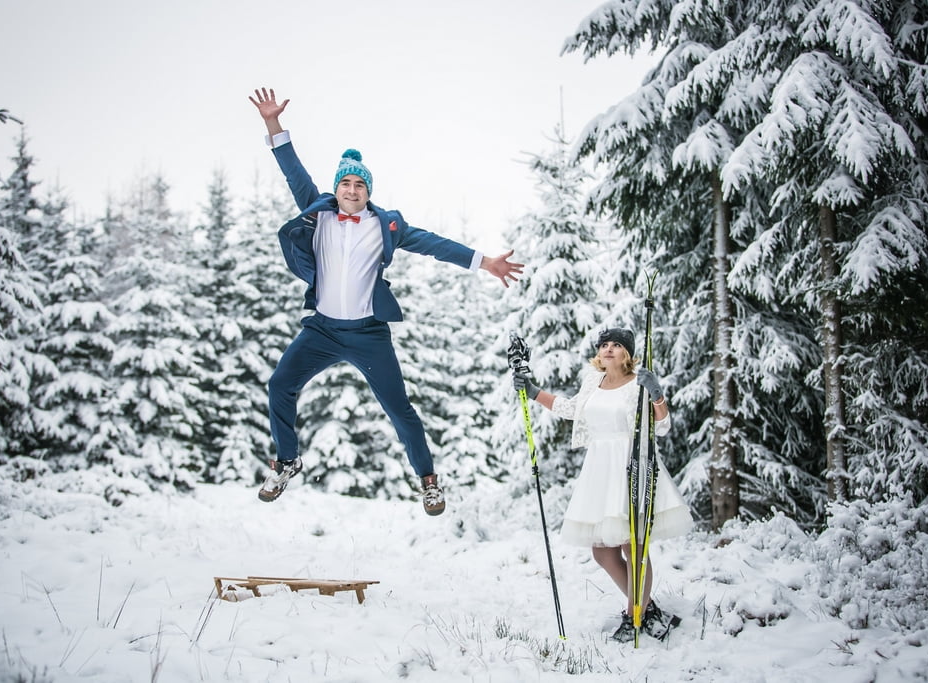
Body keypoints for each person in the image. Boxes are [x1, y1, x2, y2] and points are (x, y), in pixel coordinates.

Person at [249, 87, 524, 516]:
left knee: (400, 409)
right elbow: (292, 170)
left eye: (360, 185)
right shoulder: (316, 211)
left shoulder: (387, 225)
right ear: (336, 188)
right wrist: (272, 123)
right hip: (320, 330)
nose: (353, 190)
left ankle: (428, 482)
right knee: (280, 386)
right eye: (346, 183)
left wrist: (484, 262)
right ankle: (287, 460)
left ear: (368, 191)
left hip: (367, 335)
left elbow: (433, 243)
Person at [513, 328, 693, 640]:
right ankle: (644, 607)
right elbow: (571, 409)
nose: (608, 350)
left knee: (632, 546)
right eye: (604, 345)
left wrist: (657, 395)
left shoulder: (638, 383)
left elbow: (662, 426)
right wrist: (534, 391)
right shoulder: (592, 381)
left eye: (617, 346)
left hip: (631, 464)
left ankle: (634, 613)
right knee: (603, 553)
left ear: (628, 354)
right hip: (599, 468)